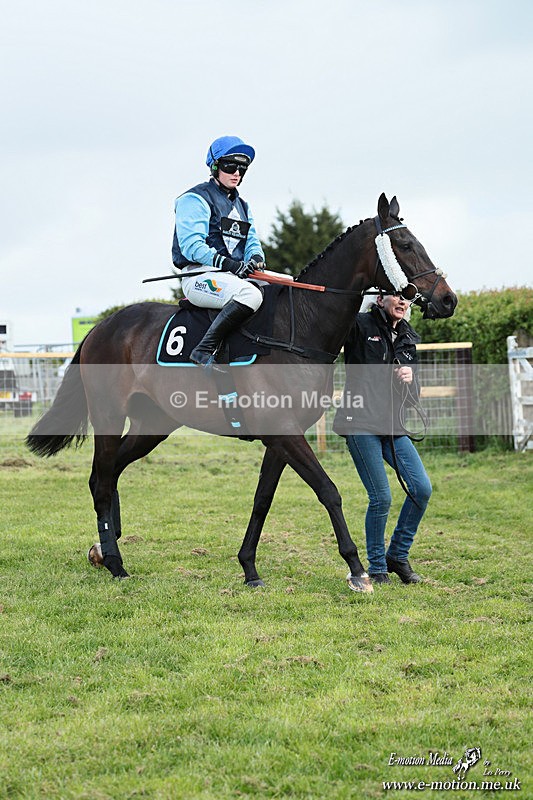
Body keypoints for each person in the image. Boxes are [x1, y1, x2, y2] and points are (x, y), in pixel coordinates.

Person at [333, 293, 432, 585]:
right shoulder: (359, 325)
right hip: (359, 422)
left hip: (392, 425)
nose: (403, 303)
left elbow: (413, 397)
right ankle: (377, 567)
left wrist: (410, 380)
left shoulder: (407, 337)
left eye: (407, 300)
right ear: (379, 299)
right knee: (381, 497)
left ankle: (397, 556)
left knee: (421, 489)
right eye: (397, 297)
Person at [172, 135, 266, 365]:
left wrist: (255, 258)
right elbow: (192, 246)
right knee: (250, 295)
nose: (237, 173)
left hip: (232, 277)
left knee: (285, 286)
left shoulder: (242, 205)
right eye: (230, 166)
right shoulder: (194, 198)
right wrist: (229, 264)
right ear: (214, 166)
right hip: (199, 276)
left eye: (242, 168)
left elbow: (251, 240)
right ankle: (203, 350)